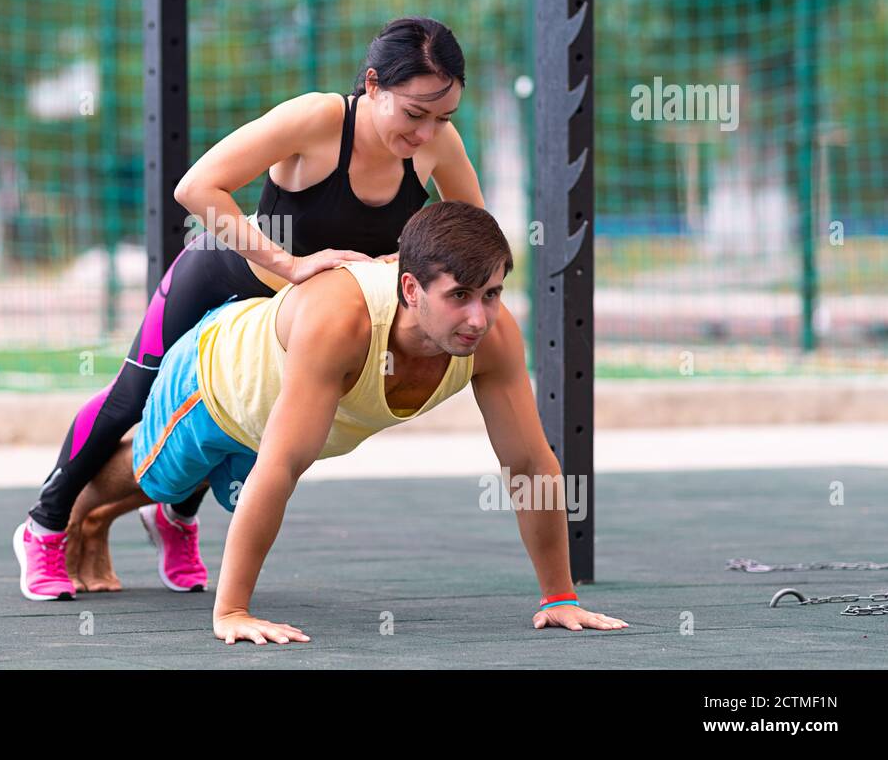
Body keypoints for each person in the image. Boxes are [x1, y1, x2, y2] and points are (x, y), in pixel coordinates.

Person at [15, 16, 488, 600]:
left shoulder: (437, 145)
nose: (427, 132)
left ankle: (174, 519)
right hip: (226, 274)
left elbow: (472, 238)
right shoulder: (316, 119)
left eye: (444, 117)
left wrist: (406, 272)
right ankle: (43, 527)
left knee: (239, 419)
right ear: (372, 85)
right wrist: (291, 265)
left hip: (292, 313)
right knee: (133, 399)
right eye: (414, 114)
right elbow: (196, 187)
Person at [51, 201, 629, 643]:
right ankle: (79, 517)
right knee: (157, 480)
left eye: (494, 293)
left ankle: (164, 521)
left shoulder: (493, 338)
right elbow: (282, 466)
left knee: (222, 486)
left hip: (277, 418)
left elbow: (529, 463)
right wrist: (232, 612)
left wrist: (559, 595)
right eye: (461, 296)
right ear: (411, 288)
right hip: (213, 385)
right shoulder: (344, 320)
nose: (479, 317)